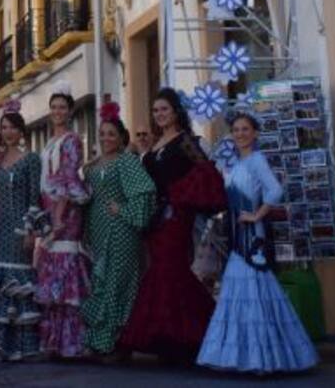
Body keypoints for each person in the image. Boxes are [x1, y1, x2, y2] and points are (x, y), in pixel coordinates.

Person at [198, 111, 317, 374]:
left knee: (252, 288)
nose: (240, 134)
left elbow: (275, 190)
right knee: (246, 290)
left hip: (252, 235)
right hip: (237, 233)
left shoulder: (256, 160)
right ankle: (249, 355)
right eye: (236, 130)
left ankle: (258, 357)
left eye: (245, 129)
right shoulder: (239, 163)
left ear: (255, 133)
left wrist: (256, 215)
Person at [120, 88, 227, 363]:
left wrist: (180, 195)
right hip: (155, 218)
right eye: (155, 111)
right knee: (162, 271)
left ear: (176, 111)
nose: (160, 115)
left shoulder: (186, 142)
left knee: (171, 270)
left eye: (164, 109)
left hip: (176, 217)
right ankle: (170, 338)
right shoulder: (154, 144)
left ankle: (195, 334)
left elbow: (207, 173)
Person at [80, 103, 155, 358]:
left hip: (123, 231)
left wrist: (123, 210)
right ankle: (102, 339)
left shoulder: (127, 161)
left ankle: (118, 340)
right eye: (102, 134)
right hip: (99, 231)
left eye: (111, 134)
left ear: (122, 137)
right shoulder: (91, 166)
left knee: (119, 282)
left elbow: (144, 192)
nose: (106, 139)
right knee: (101, 281)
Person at [0, 101, 42, 361]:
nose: (8, 131)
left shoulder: (31, 159)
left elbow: (35, 197)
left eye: (13, 127)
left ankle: (21, 346)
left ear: (21, 131)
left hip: (19, 227)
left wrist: (30, 231)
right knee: (2, 281)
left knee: (18, 282)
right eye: (4, 127)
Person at [34, 92, 90, 358]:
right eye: (54, 107)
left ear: (70, 111)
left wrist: (58, 216)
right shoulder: (51, 141)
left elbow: (68, 179)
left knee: (64, 266)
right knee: (51, 268)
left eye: (62, 107)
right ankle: (55, 340)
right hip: (50, 209)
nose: (57, 111)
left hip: (64, 212)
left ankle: (70, 341)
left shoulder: (71, 141)